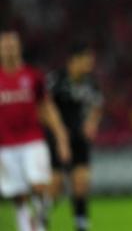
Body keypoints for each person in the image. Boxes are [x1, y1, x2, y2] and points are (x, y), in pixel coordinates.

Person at [0, 29, 70, 231]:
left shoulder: (33, 76)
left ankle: (38, 222)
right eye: (5, 47)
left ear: (19, 48)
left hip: (33, 140)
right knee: (18, 193)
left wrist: (61, 135)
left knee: (39, 185)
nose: (9, 50)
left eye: (12, 46)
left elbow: (47, 107)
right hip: (5, 144)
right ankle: (26, 225)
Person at [45, 43, 103, 231]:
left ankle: (81, 226)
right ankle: (39, 218)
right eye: (86, 60)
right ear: (74, 60)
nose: (90, 65)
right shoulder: (56, 80)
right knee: (56, 186)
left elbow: (98, 105)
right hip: (56, 138)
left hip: (79, 139)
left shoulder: (90, 83)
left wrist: (92, 123)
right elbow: (45, 106)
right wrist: (60, 134)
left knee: (81, 183)